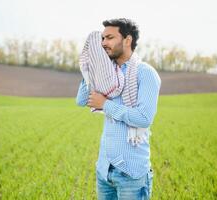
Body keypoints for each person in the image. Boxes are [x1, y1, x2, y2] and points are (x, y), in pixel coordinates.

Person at [76, 18, 161, 200]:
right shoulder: (105, 73)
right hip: (104, 170)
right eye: (102, 39)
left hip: (131, 173)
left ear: (127, 40)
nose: (104, 43)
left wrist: (105, 104)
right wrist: (90, 70)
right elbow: (81, 100)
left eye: (109, 38)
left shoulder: (145, 73)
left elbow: (144, 118)